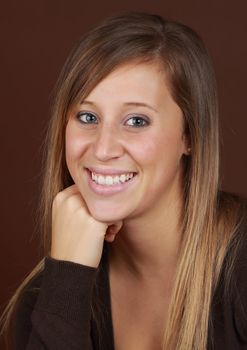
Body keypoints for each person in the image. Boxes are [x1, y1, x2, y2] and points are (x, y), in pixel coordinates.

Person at [1, 11, 247, 350]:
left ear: (189, 136)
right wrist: (67, 280)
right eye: (88, 117)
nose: (102, 149)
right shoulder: (53, 294)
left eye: (136, 121)